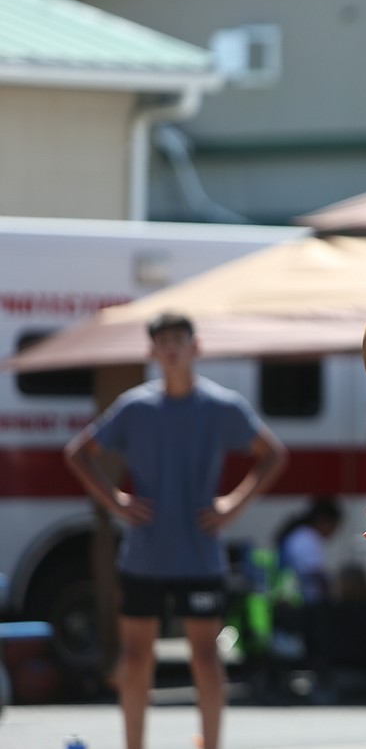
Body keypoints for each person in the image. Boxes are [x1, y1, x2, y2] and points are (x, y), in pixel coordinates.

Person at [63, 312, 288, 749]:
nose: (171, 348)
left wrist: (234, 504)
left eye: (178, 339)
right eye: (162, 340)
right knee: (134, 657)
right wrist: (117, 502)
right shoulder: (135, 406)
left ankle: (211, 743)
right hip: (143, 554)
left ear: (195, 347)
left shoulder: (222, 405)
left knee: (205, 658)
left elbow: (274, 455)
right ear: (151, 351)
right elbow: (78, 453)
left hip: (199, 553)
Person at [274, 497, 342, 700]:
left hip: (293, 603)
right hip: (304, 604)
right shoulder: (306, 537)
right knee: (320, 648)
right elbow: (313, 572)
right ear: (324, 520)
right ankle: (321, 687)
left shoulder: (297, 535)